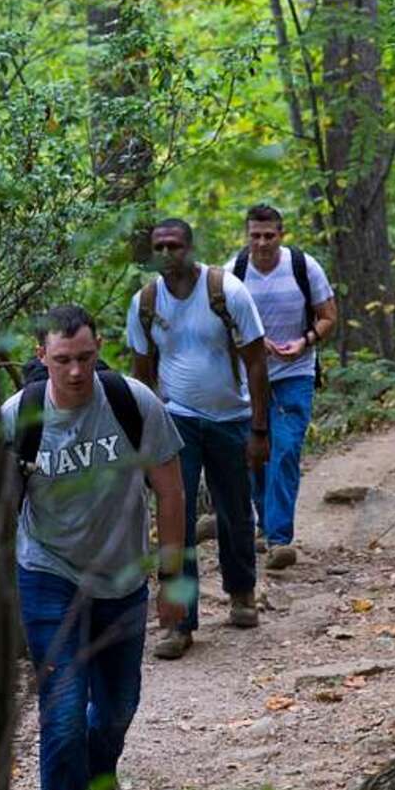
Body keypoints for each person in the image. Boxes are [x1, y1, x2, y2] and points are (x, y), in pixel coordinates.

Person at [7, 304, 187, 790]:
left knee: (116, 707)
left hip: (122, 576)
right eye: (63, 360)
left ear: (100, 347)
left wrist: (174, 581)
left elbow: (171, 491)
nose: (77, 372)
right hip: (47, 574)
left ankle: (101, 770)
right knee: (61, 719)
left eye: (86, 357)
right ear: (42, 356)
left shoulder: (133, 402)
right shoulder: (19, 417)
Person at [127, 218, 270, 660]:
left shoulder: (227, 292)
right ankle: (178, 622)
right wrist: (146, 438)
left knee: (234, 510)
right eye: (159, 247)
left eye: (174, 246)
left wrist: (260, 430)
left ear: (190, 247)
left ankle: (242, 592)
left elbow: (257, 363)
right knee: (176, 520)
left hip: (231, 417)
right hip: (176, 422)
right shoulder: (145, 302)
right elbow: (142, 372)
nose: (167, 254)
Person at [226, 204, 336, 571]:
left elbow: (329, 316)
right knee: (254, 455)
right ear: (246, 236)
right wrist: (254, 345)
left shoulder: (304, 267)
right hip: (247, 378)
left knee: (285, 450)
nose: (262, 243)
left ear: (281, 235)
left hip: (296, 373)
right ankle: (261, 524)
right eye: (255, 236)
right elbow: (221, 326)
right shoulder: (233, 273)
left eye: (269, 235)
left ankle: (278, 539)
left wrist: (304, 341)